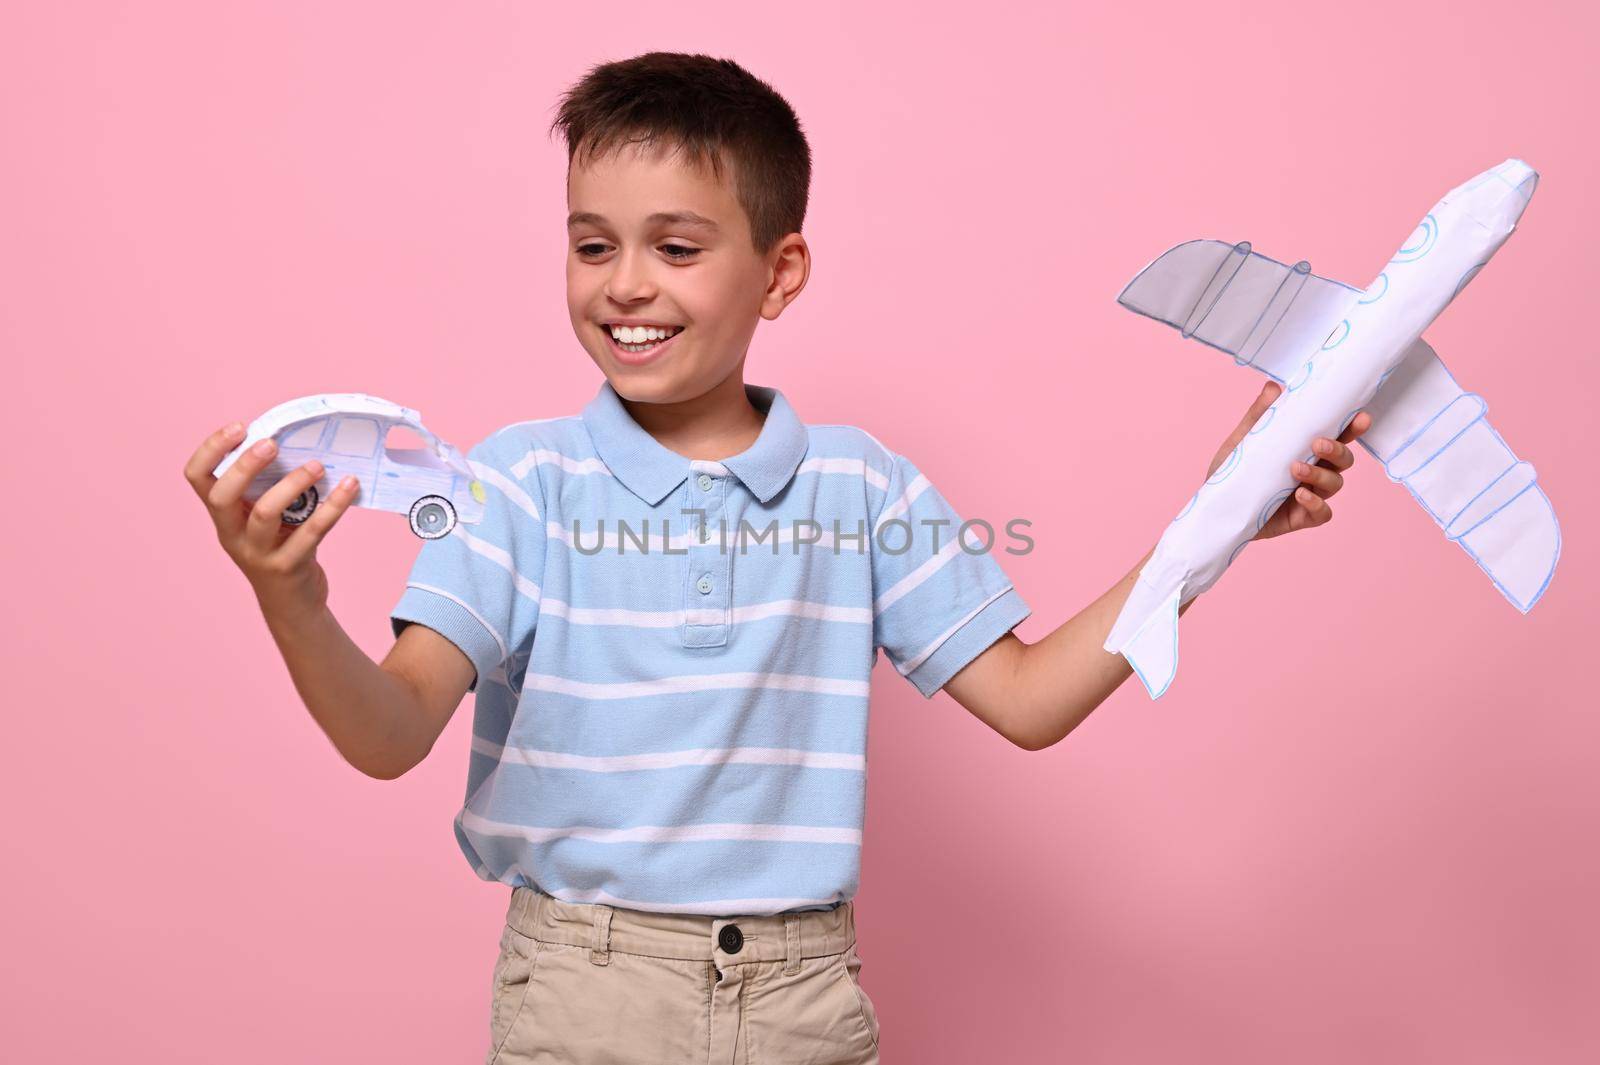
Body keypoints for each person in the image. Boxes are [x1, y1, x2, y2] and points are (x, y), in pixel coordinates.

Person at [182, 51, 1370, 1065]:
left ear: (779, 272)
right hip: (588, 996)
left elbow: (1029, 699)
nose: (626, 285)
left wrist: (1218, 518)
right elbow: (390, 738)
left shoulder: (859, 485)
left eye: (677, 247)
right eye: (592, 245)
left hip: (804, 1002)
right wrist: (288, 593)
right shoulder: (516, 483)